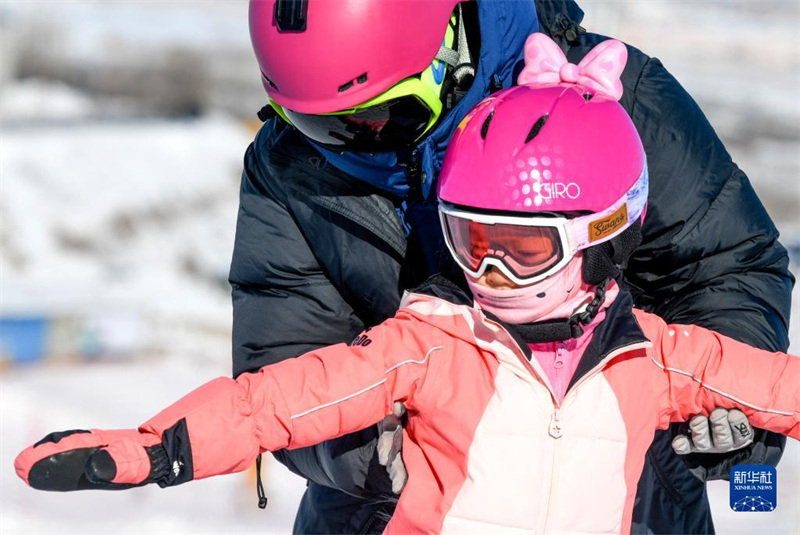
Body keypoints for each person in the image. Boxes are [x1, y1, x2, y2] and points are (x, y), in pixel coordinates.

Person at [15, 47, 800, 535]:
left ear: (604, 237)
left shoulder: (659, 360)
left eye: (521, 249)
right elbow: (271, 401)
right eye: (469, 241)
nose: (488, 274)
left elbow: (780, 386)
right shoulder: (427, 347)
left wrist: (743, 437)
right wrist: (155, 451)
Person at [237, 0, 793, 533]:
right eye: (321, 125)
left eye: (390, 113)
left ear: (447, 45)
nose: (362, 140)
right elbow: (280, 362)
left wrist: (723, 394)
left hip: (621, 501)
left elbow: (727, 263)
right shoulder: (286, 164)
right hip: (390, 515)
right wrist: (363, 451)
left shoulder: (607, 99)